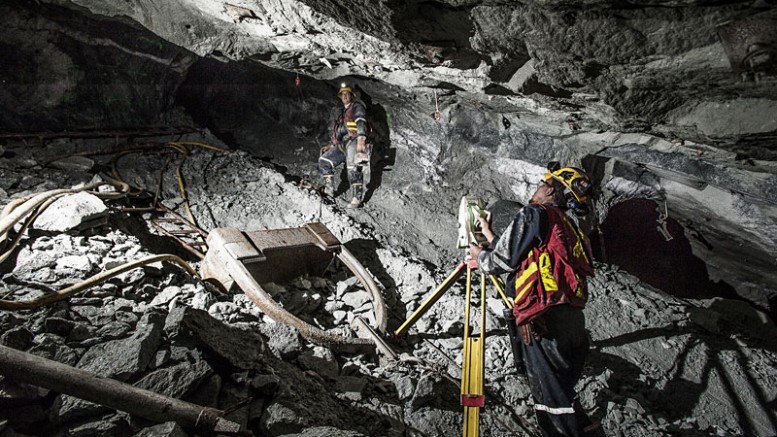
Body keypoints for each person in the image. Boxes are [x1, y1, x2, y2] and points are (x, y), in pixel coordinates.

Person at [469, 163, 602, 437]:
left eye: (543, 185)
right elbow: (530, 260)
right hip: (572, 322)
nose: (537, 189)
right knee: (564, 395)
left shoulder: (535, 212)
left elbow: (504, 260)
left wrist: (479, 258)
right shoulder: (568, 226)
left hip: (545, 319)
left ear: (551, 189)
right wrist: (491, 237)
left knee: (552, 404)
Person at [318, 82, 369, 208]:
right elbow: (339, 132)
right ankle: (329, 190)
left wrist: (361, 139)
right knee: (324, 160)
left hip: (355, 139)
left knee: (353, 166)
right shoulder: (342, 114)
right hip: (343, 143)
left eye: (347, 94)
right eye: (342, 94)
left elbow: (361, 120)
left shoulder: (357, 106)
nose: (345, 96)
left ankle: (356, 198)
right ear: (340, 97)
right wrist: (331, 145)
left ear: (351, 96)